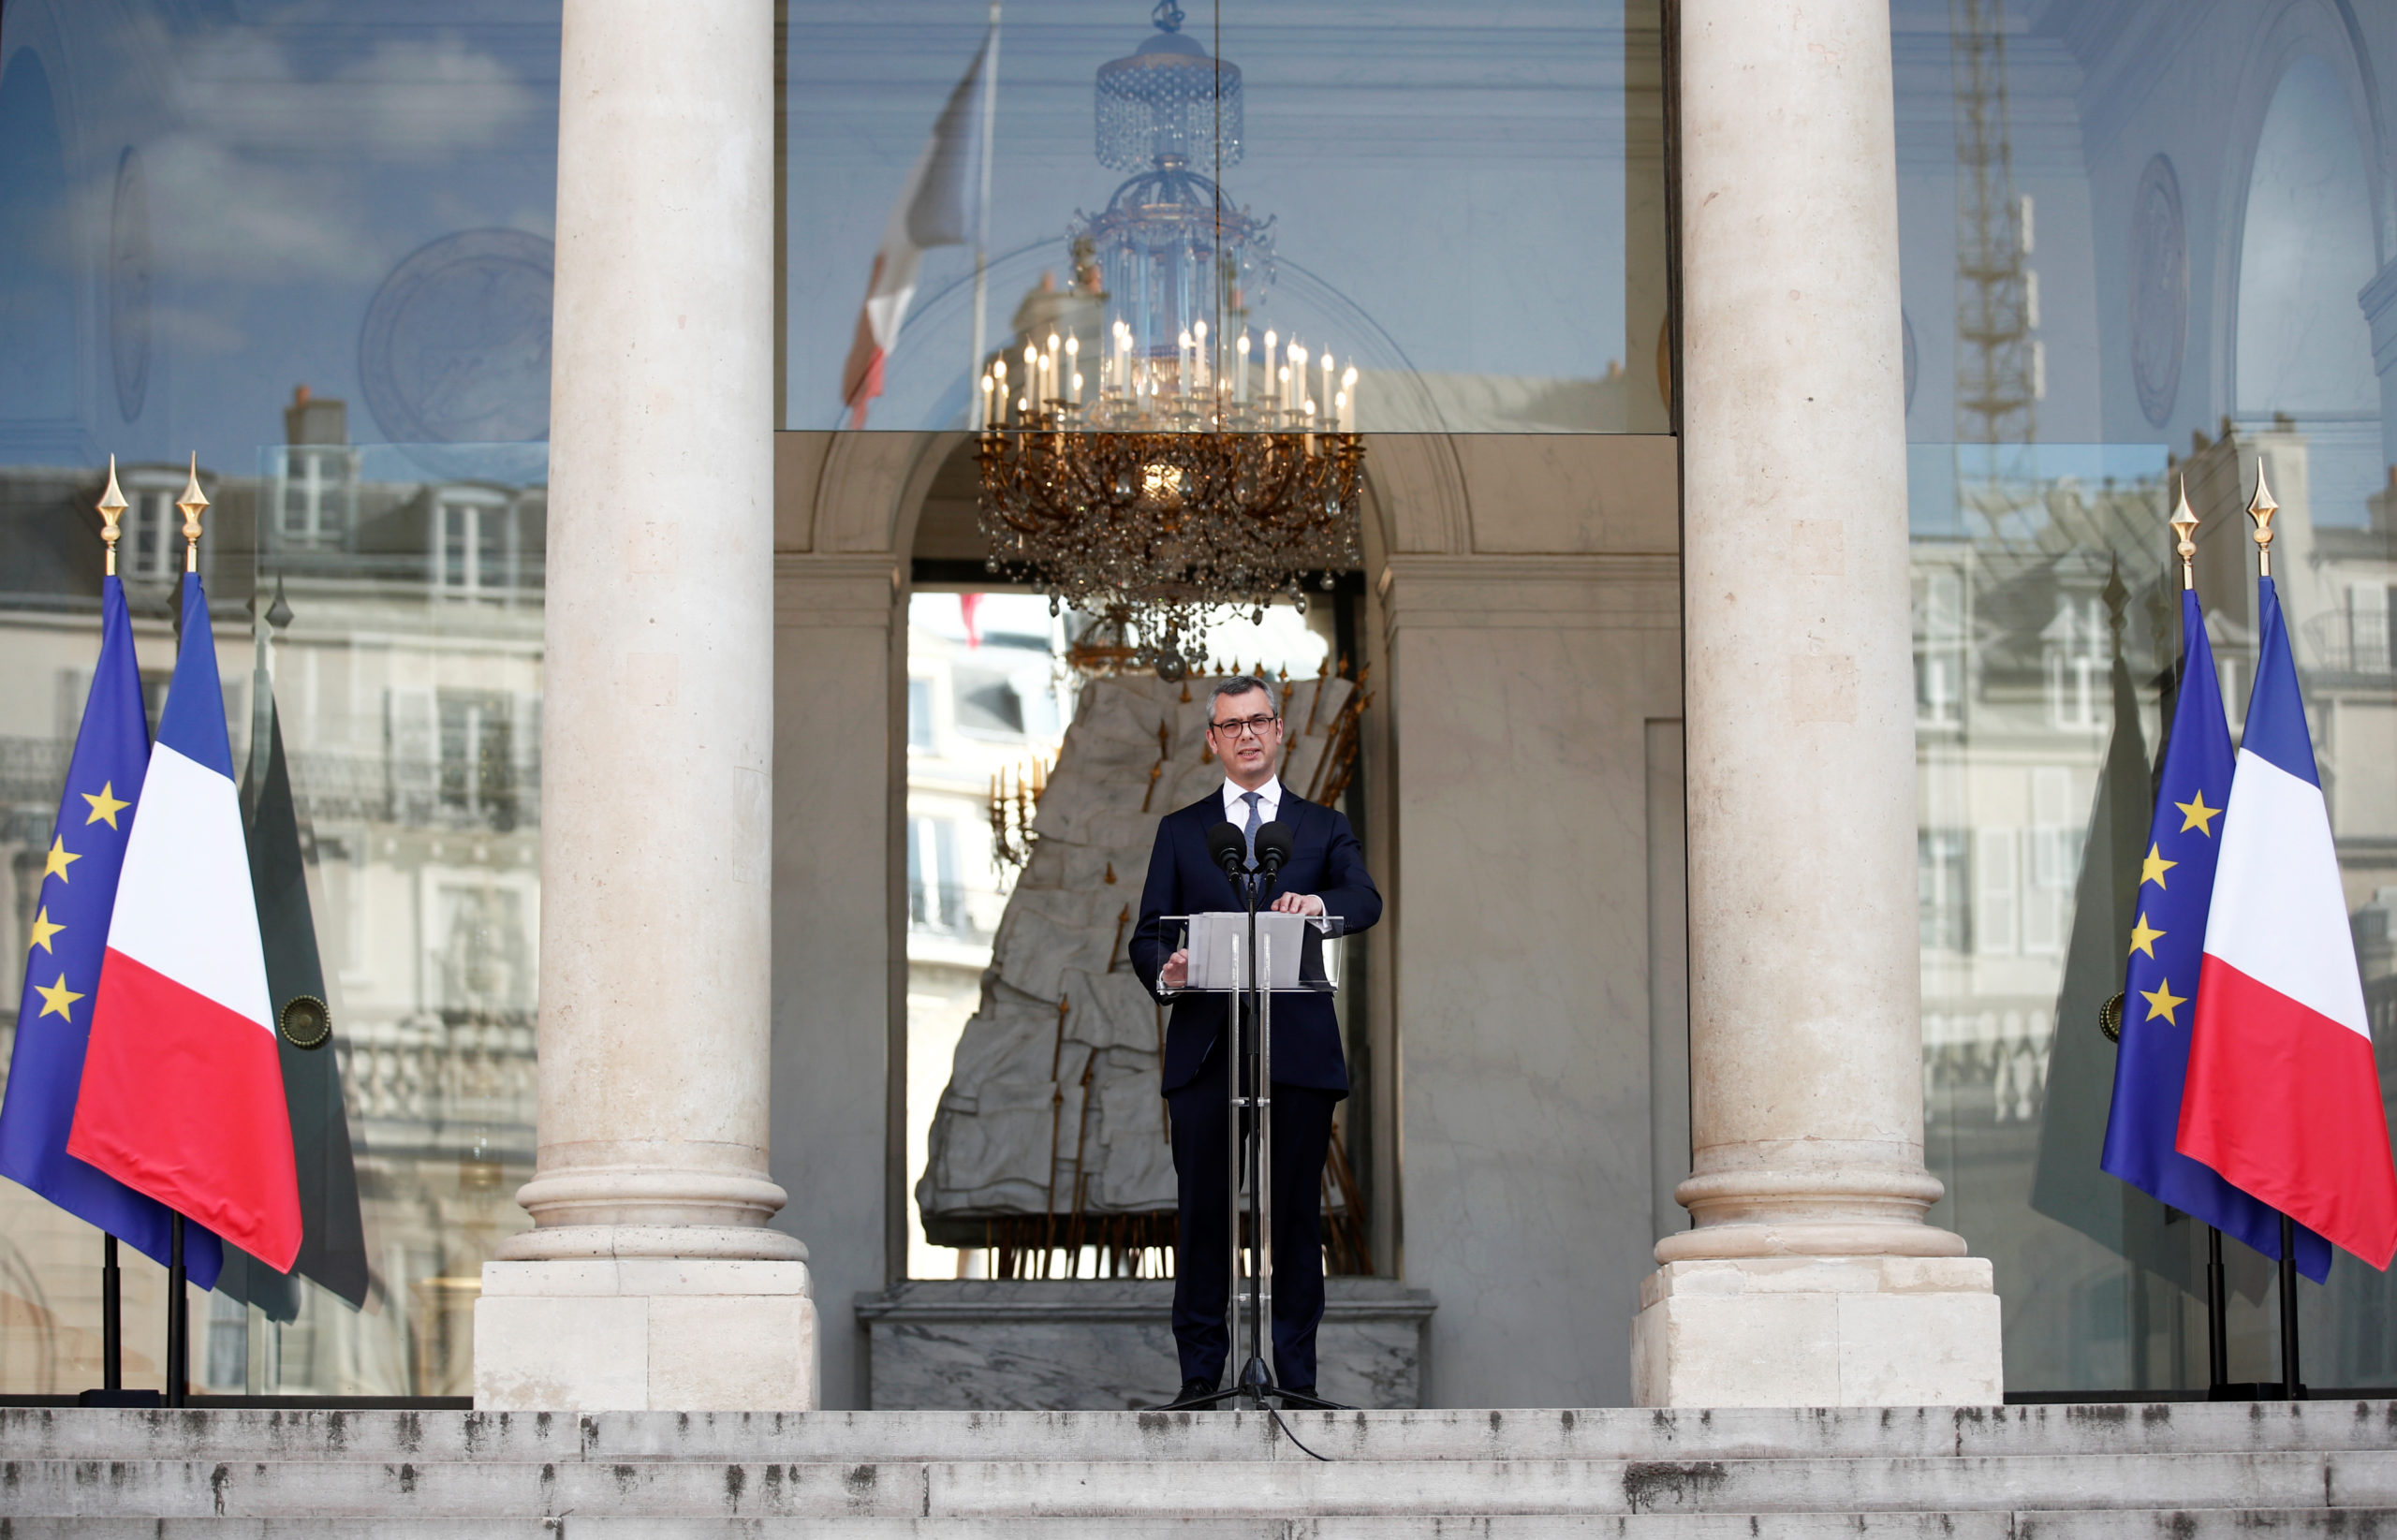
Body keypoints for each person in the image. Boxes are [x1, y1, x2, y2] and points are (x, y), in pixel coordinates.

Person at [1128, 674, 1381, 1409]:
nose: (1246, 734)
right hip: (1207, 1050)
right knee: (1204, 1213)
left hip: (1296, 1050)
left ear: (1280, 732)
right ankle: (1202, 1377)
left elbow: (1364, 898)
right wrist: (1168, 970)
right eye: (1231, 724)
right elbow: (1148, 934)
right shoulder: (1182, 831)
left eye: (1259, 721)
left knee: (1297, 1215)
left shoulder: (1322, 826)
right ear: (1212, 740)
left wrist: (1320, 905)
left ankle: (1295, 1379)